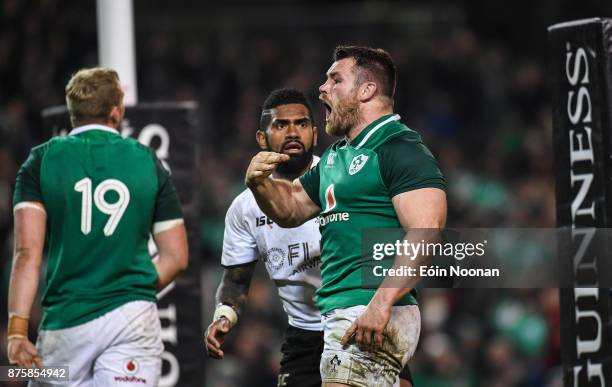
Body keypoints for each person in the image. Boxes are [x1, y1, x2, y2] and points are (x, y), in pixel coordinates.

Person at [245, 46, 447, 387]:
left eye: (335, 79)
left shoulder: (400, 148)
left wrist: (381, 303)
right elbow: (291, 208)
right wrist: (259, 183)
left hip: (369, 308)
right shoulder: (336, 156)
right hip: (347, 311)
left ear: (366, 91)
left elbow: (426, 232)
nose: (322, 89)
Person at [206, 88, 414, 387]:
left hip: (358, 320)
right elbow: (237, 279)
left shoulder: (344, 180)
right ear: (261, 139)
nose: (293, 132)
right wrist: (225, 314)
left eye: (301, 124)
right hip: (304, 335)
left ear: (315, 134)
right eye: (281, 125)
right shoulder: (243, 208)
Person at [6, 67, 188, 386]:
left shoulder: (40, 161)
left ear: (72, 113)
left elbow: (26, 254)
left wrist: (17, 333)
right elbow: (176, 257)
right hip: (132, 321)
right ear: (116, 112)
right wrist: (130, 293)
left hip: (67, 323)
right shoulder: (149, 161)